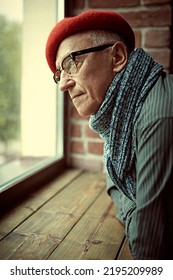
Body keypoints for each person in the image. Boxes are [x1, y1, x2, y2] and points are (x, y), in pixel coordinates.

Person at [45, 10, 173, 259]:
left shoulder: (159, 118)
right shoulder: (124, 121)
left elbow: (151, 254)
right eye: (60, 74)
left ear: (117, 57)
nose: (63, 84)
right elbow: (111, 176)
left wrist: (125, 203)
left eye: (72, 62)